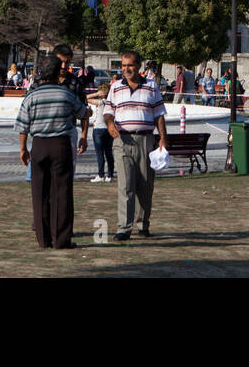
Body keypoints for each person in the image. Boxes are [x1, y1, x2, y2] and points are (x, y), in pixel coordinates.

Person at [15, 54, 88, 249]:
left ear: (41, 73)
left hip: (39, 145)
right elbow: (83, 113)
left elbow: (23, 125)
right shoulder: (67, 94)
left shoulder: (32, 96)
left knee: (39, 193)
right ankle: (61, 239)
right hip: (61, 145)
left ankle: (43, 239)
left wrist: (23, 149)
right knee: (62, 191)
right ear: (58, 72)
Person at [102, 50, 168, 241]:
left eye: (129, 65)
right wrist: (109, 123)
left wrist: (163, 138)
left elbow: (159, 114)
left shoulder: (151, 86)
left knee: (145, 186)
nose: (126, 69)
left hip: (146, 140)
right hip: (122, 141)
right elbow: (108, 111)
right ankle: (124, 228)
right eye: (123, 66)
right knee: (125, 186)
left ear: (138, 66)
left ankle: (142, 224)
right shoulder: (115, 87)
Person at [90, 84, 116, 183]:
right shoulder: (111, 103)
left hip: (98, 129)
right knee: (109, 152)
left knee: (100, 153)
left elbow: (84, 98)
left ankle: (101, 174)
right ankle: (110, 175)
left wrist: (96, 94)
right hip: (108, 128)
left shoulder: (99, 102)